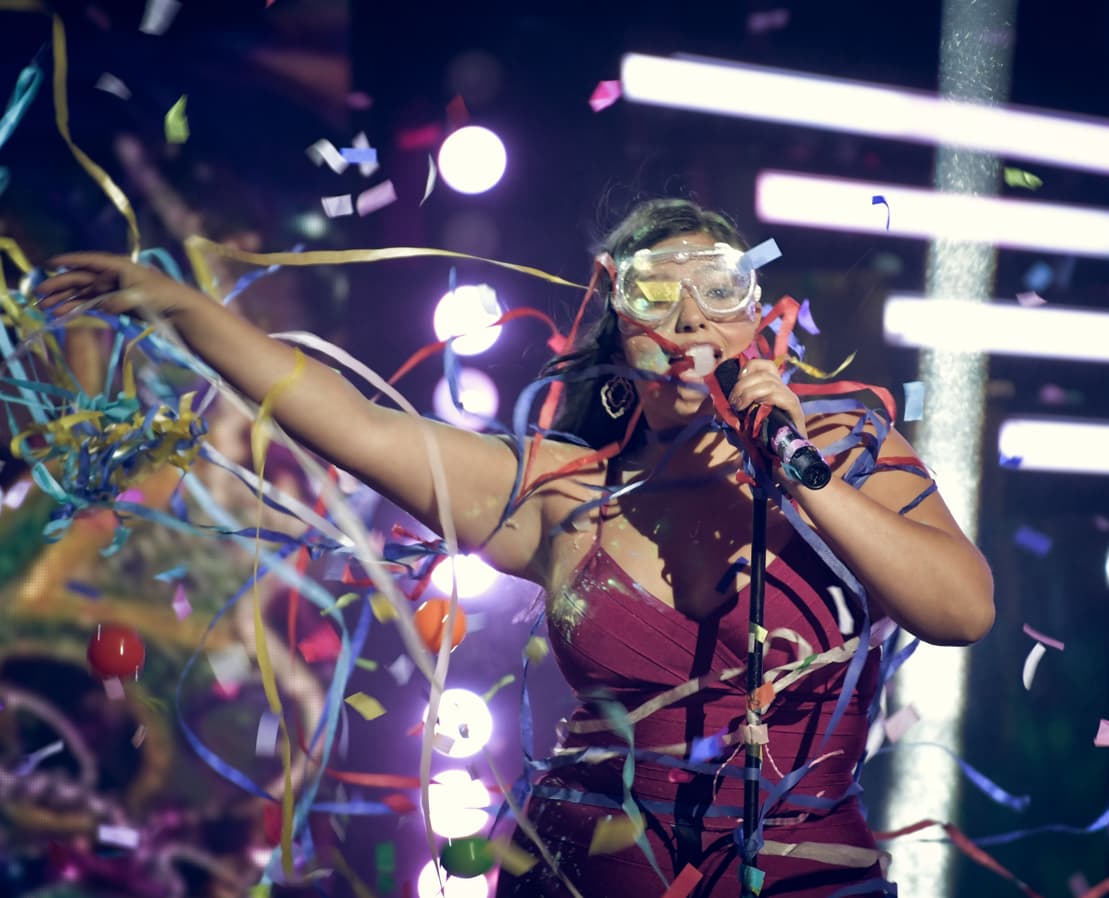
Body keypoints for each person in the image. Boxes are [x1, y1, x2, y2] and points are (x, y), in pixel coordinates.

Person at [35, 198, 995, 897]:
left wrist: (801, 476)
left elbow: (962, 610)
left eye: (719, 290)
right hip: (579, 873)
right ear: (622, 331)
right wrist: (181, 308)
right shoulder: (563, 496)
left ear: (756, 316)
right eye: (658, 295)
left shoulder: (844, 448)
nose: (690, 319)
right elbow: (352, 423)